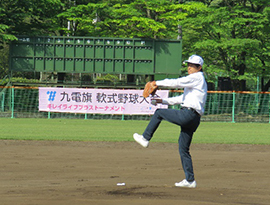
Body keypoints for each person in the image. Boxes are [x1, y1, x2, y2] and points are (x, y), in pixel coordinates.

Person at [133, 54, 207, 188]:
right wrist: (163, 101)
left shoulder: (196, 77)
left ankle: (145, 138)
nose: (189, 67)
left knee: (159, 113)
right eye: (188, 65)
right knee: (183, 148)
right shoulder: (198, 81)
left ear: (199, 67)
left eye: (192, 65)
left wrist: (157, 83)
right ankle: (190, 180)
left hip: (188, 115)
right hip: (194, 119)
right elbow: (181, 99)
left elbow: (176, 82)